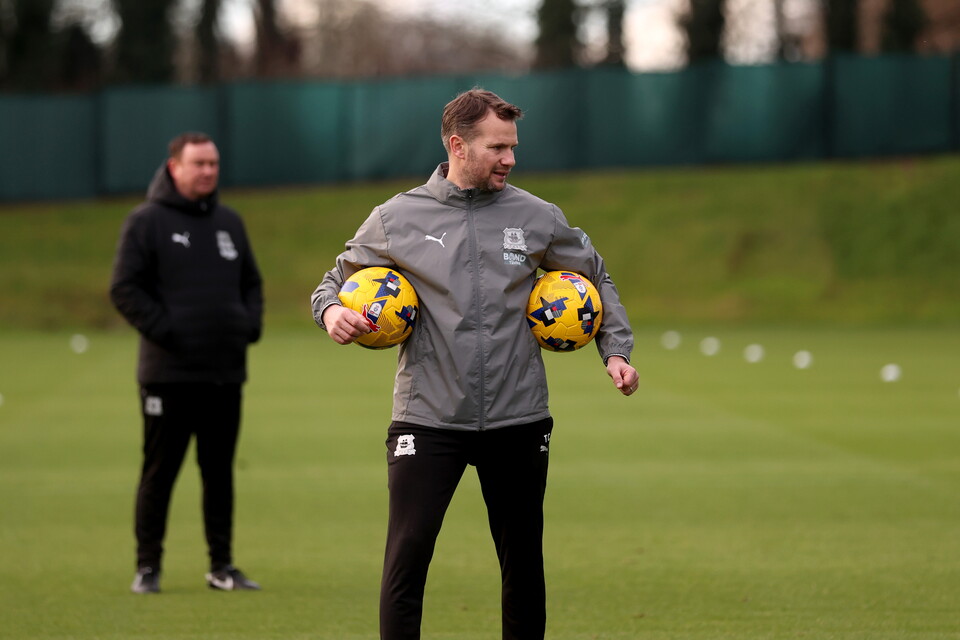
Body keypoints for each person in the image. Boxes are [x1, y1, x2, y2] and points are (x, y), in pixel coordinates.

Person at [310, 89, 638, 639]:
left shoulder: (538, 216)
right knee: (407, 559)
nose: (510, 158)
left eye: (513, 146)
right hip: (428, 418)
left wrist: (617, 350)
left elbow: (595, 277)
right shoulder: (396, 218)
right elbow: (333, 283)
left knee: (523, 564)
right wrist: (332, 314)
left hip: (518, 416)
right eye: (498, 147)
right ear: (458, 146)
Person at [110, 132, 264, 594]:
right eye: (199, 163)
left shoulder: (229, 223)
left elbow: (251, 284)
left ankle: (222, 566)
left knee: (218, 474)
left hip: (224, 374)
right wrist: (172, 331)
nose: (209, 172)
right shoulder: (146, 222)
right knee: (160, 472)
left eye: (214, 164)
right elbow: (124, 289)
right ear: (174, 167)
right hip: (169, 377)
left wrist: (246, 325)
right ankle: (147, 567)